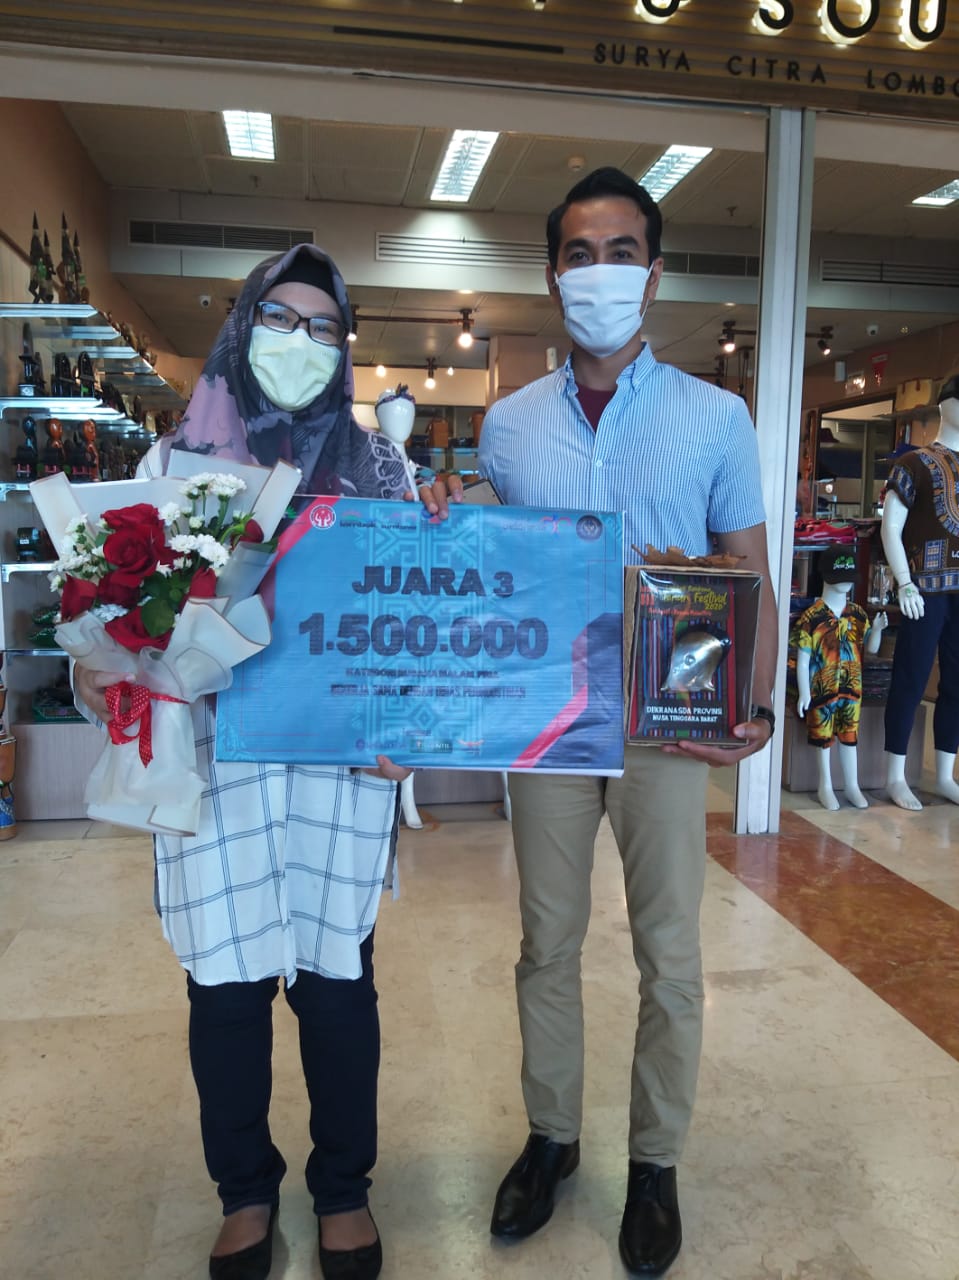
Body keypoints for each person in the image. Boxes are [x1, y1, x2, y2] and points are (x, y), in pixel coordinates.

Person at [73, 245, 429, 1280]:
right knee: (224, 988)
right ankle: (244, 1190)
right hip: (217, 762)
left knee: (336, 982)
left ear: (345, 347)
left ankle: (343, 1187)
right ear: (241, 326)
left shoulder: (382, 474)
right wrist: (103, 666)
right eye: (281, 318)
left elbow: (417, 617)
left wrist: (414, 722)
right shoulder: (171, 465)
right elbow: (114, 620)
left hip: (336, 768)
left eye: (323, 327)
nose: (299, 342)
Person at [475, 167, 779, 1278]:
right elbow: (490, 571)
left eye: (619, 253)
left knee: (669, 950)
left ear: (651, 275)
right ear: (552, 275)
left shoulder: (714, 416)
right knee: (545, 942)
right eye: (577, 253)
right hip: (550, 723)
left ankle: (654, 1161)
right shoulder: (507, 428)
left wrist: (755, 703)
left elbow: (749, 571)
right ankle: (551, 1136)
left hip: (668, 721)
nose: (597, 272)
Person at [881, 372, 959, 811]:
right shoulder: (912, 464)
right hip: (923, 590)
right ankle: (895, 774)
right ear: (948, 406)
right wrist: (904, 581)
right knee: (910, 677)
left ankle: (945, 774)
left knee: (957, 682)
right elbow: (889, 528)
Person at [794, 546, 887, 811]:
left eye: (849, 578)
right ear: (825, 576)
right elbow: (803, 659)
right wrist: (804, 692)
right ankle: (825, 785)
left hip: (852, 690)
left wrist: (877, 630)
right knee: (822, 738)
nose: (846, 583)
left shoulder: (858, 615)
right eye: (840, 577)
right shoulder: (812, 617)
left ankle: (852, 785)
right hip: (821, 690)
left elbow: (871, 648)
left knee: (849, 737)